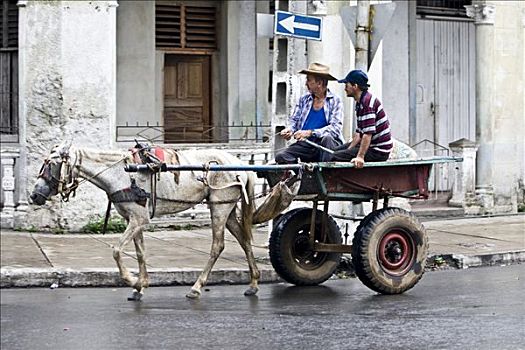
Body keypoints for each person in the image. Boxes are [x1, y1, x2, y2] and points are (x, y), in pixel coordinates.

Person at [275, 63, 345, 164]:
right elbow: (294, 120)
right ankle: (302, 174)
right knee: (282, 156)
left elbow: (335, 128)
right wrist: (289, 130)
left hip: (325, 145)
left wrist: (310, 133)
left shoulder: (335, 101)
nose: (306, 84)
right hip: (306, 144)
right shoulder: (304, 99)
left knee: (327, 139)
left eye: (308, 80)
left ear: (319, 83)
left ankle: (325, 176)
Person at [331, 69, 393, 168]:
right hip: (371, 146)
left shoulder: (367, 103)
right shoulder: (360, 102)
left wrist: (360, 157)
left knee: (334, 156)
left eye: (347, 85)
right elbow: (359, 134)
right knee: (334, 152)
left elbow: (367, 134)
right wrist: (348, 151)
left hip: (378, 150)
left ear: (355, 86)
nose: (345, 88)